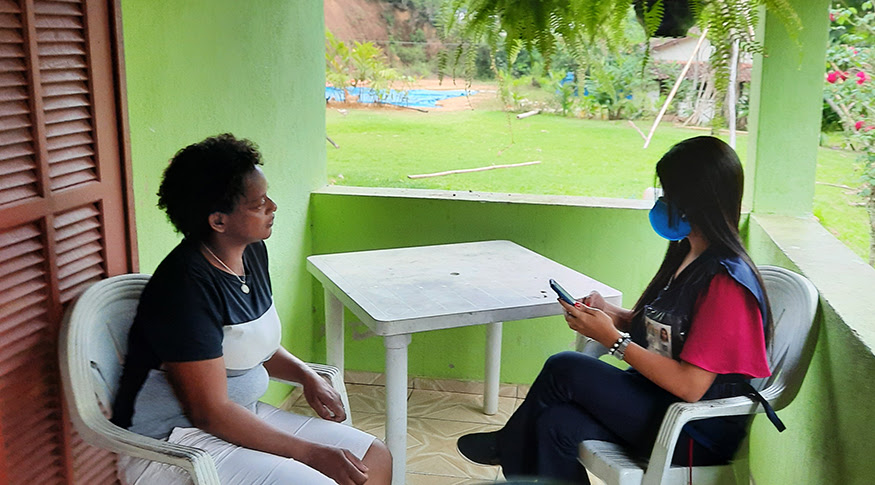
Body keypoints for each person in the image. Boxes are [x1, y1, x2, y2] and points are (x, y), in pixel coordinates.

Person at [457, 136, 780, 483]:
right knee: (555, 424)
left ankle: (508, 446)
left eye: (669, 194)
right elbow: (669, 334)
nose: (663, 203)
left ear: (696, 201)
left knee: (565, 366)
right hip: (655, 400)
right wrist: (613, 314)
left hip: (692, 430)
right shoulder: (687, 254)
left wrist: (614, 340)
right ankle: (512, 447)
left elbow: (691, 386)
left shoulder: (727, 283)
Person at [111, 134, 391, 485]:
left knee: (373, 457)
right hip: (175, 440)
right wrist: (310, 453)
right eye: (258, 203)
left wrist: (305, 375)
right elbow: (209, 412)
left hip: (240, 415)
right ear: (218, 221)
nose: (272, 206)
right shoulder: (184, 290)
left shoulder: (250, 253)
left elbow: (248, 343)